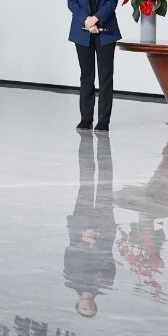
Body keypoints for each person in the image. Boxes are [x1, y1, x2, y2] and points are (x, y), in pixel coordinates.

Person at [67, 0, 121, 133]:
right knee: (86, 76)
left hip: (106, 31)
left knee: (106, 76)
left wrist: (96, 19)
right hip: (82, 32)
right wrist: (87, 21)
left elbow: (112, 1)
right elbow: (71, 2)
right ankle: (86, 119)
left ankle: (103, 121)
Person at [65, 132, 115, 317]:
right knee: (105, 185)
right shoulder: (105, 284)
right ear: (95, 306)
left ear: (77, 304)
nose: (88, 307)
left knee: (85, 184)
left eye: (84, 309)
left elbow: (70, 253)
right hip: (104, 228)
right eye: (91, 309)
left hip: (81, 226)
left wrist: (83, 236)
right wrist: (95, 242)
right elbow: (109, 258)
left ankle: (86, 146)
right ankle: (104, 149)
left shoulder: (70, 280)